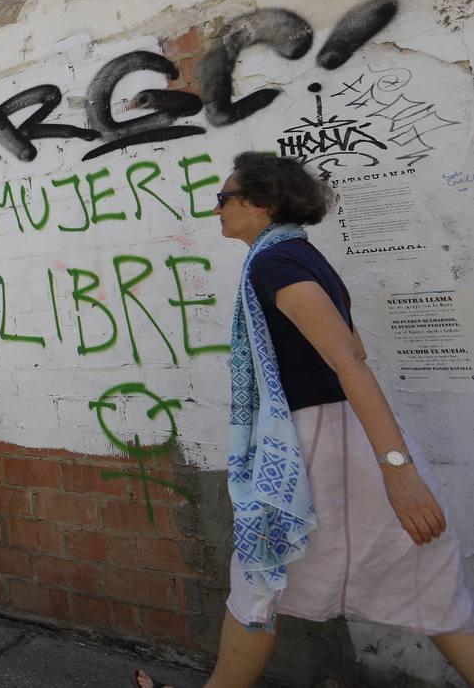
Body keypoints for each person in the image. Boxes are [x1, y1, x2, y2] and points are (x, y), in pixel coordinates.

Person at [138, 153, 474, 688]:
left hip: (320, 446)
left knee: (259, 578)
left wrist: (398, 470)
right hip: (339, 439)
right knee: (423, 583)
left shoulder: (277, 265)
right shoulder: (299, 257)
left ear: (263, 203)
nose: (216, 209)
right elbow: (353, 346)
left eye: (224, 198)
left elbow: (347, 360)